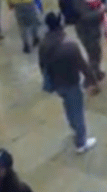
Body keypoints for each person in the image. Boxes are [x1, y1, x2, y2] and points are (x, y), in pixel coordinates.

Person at [38, 13, 99, 154]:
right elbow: (83, 66)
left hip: (57, 84)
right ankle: (81, 142)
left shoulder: (44, 45)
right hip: (71, 82)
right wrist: (93, 81)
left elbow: (42, 66)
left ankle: (74, 128)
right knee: (77, 111)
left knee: (68, 107)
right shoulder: (70, 46)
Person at [59, 0, 105, 83]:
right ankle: (90, 80)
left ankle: (96, 73)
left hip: (85, 29)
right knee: (93, 54)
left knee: (94, 53)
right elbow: (85, 16)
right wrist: (100, 12)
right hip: (87, 30)